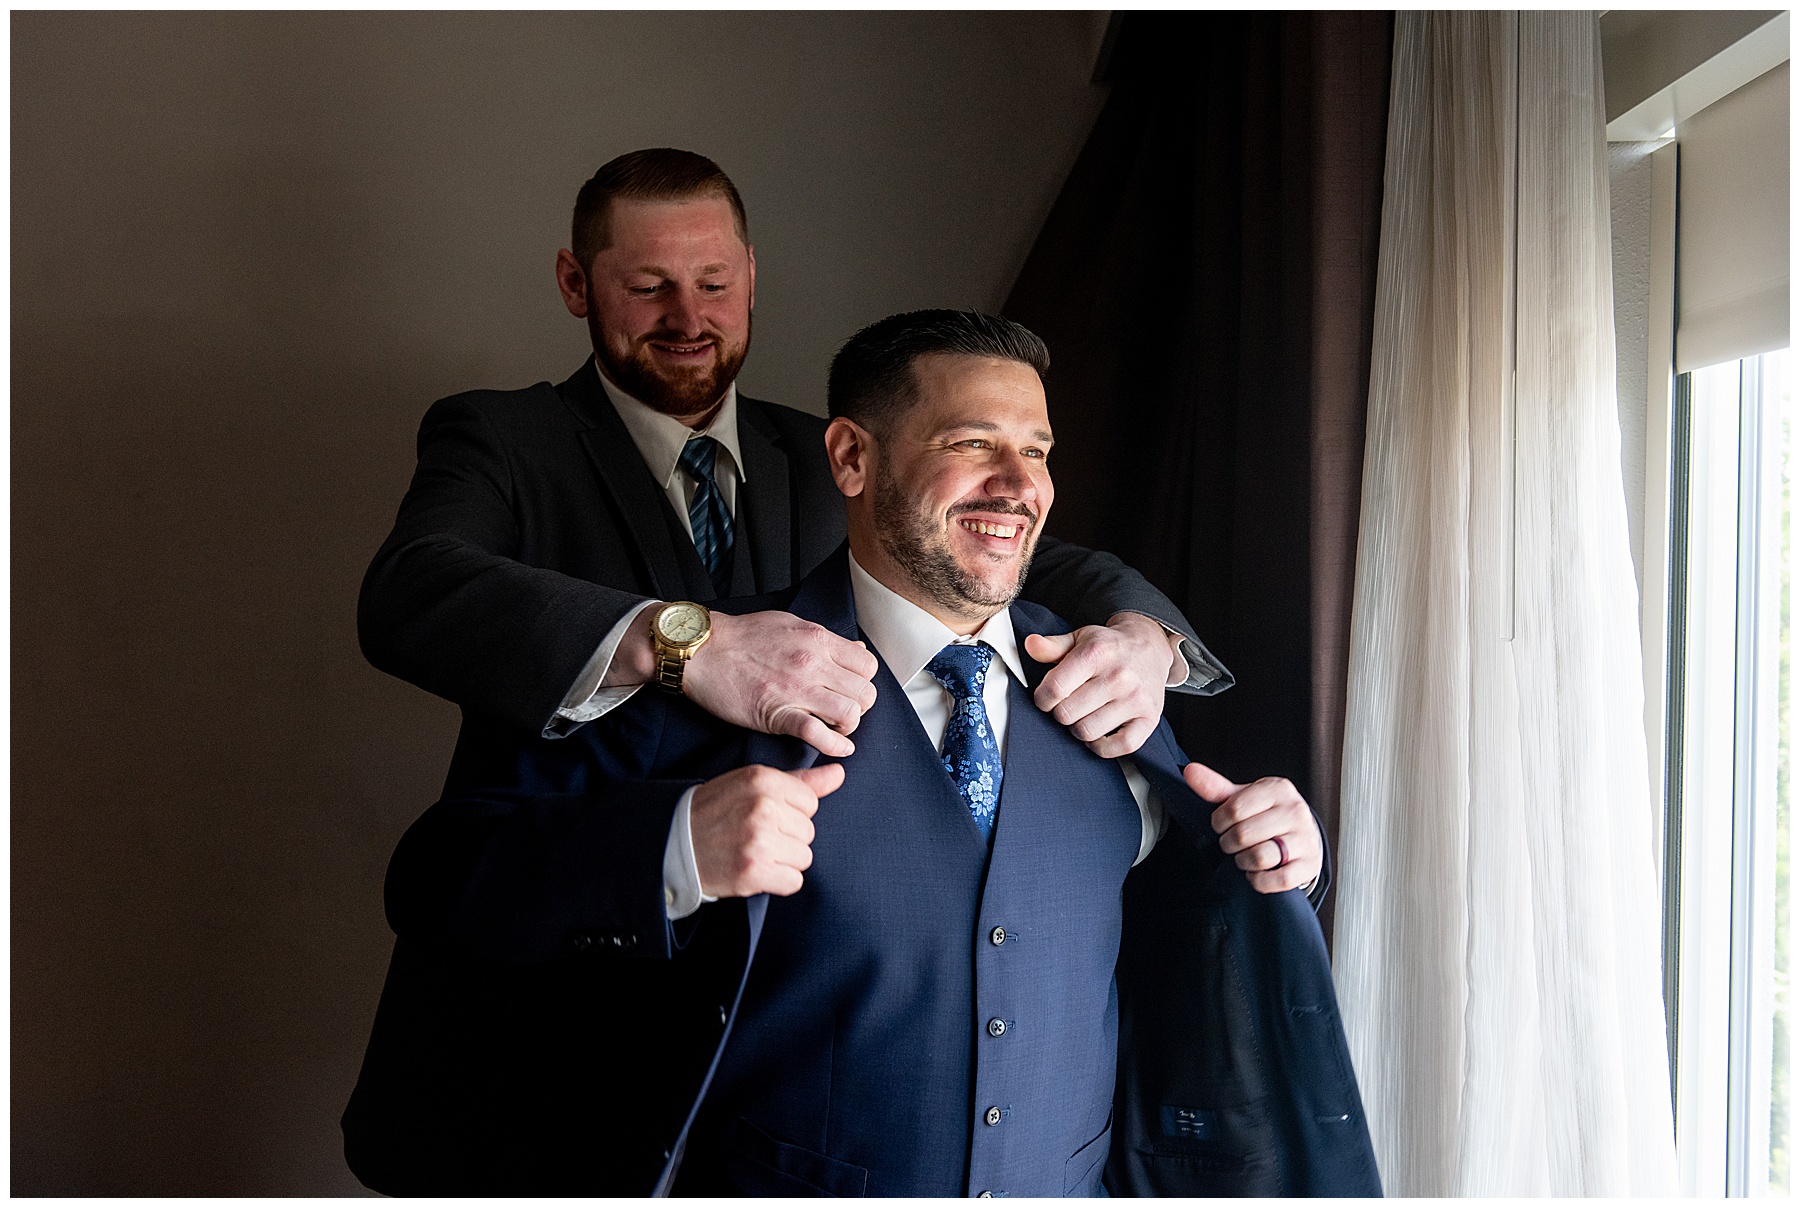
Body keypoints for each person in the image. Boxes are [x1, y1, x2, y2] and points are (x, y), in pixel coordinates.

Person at [342, 311, 1379, 1197]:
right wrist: (670, 844)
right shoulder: (710, 680)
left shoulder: (1106, 687)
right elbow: (438, 878)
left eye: (1040, 448)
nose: (1020, 482)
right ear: (850, 458)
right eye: (975, 440)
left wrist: (1280, 858)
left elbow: (1181, 922)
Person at [357, 148, 1233, 805]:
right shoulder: (502, 436)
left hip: (770, 963)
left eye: (713, 282)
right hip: (544, 951)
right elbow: (411, 591)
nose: (688, 318)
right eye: (650, 286)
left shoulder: (833, 450)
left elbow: (1015, 546)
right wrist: (684, 641)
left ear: (751, 278)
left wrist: (1149, 639)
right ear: (575, 284)